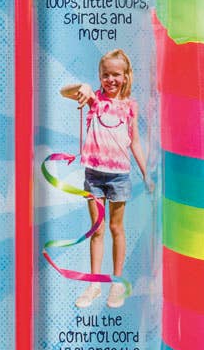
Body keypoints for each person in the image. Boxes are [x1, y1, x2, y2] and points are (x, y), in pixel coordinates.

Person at [61, 49, 148, 309]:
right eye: (105, 75)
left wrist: (146, 174)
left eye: (116, 74)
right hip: (94, 175)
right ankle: (95, 284)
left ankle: (117, 282)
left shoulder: (130, 106)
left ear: (126, 76)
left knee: (116, 228)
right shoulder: (94, 99)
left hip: (119, 176)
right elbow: (64, 92)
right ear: (100, 76)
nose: (111, 79)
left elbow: (135, 142)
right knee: (97, 229)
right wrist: (82, 87)